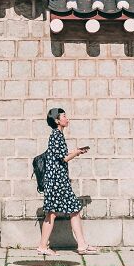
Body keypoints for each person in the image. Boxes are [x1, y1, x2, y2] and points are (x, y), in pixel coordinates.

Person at [37, 107, 99, 257]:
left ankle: (82, 245)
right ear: (57, 120)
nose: (67, 119)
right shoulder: (56, 135)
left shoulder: (58, 135)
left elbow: (61, 155)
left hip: (59, 181)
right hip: (56, 182)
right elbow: (63, 158)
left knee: (73, 210)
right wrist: (76, 153)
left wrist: (75, 151)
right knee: (52, 213)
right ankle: (43, 246)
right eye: (64, 116)